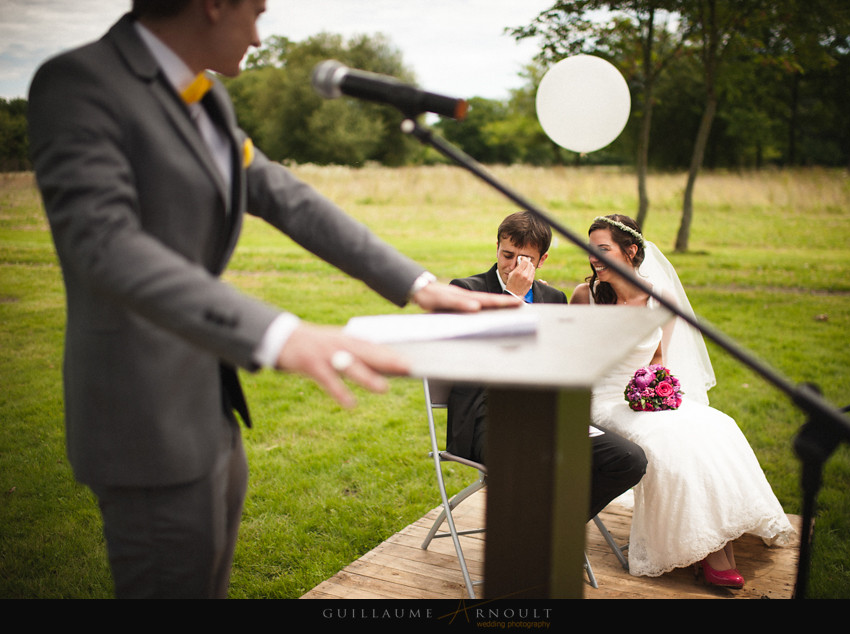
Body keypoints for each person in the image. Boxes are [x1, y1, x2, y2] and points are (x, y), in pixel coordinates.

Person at [26, 0, 518, 598]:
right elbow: (106, 246)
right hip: (143, 416)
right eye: (255, 13)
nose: (259, 37)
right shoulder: (79, 83)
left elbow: (286, 196)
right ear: (213, 6)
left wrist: (420, 286)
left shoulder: (206, 96)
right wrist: (281, 333)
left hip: (210, 404)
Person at [572, 214, 795, 588]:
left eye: (603, 249)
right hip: (602, 400)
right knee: (669, 442)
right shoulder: (586, 297)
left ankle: (718, 543)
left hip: (639, 399)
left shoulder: (661, 299)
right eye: (591, 250)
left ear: (631, 251)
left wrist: (654, 386)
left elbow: (659, 360)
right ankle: (711, 556)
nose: (594, 257)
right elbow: (573, 361)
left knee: (715, 425)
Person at [448, 211, 647, 520]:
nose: (512, 264)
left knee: (629, 459)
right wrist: (512, 297)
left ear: (541, 260)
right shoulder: (466, 291)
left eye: (524, 259)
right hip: (487, 417)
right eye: (506, 254)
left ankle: (551, 525)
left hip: (544, 415)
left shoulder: (553, 297)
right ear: (497, 247)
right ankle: (536, 538)